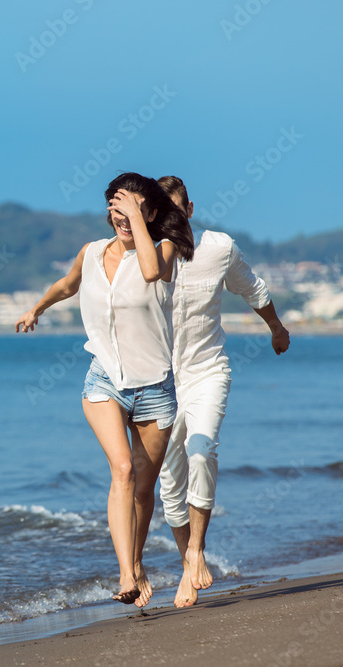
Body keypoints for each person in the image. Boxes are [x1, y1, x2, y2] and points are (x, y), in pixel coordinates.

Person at [16, 173, 195, 607]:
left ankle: (137, 562)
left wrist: (138, 219)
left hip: (154, 388)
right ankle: (125, 575)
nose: (121, 216)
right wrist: (36, 308)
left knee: (143, 490)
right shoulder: (92, 253)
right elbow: (67, 285)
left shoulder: (163, 251)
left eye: (133, 207)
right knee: (122, 470)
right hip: (104, 381)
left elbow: (152, 272)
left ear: (151, 214)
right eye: (116, 207)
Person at [156, 175, 291, 607]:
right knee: (168, 487)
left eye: (176, 213)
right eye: (161, 215)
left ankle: (196, 551)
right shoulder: (144, 259)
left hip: (208, 373)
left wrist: (276, 327)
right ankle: (187, 563)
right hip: (160, 384)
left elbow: (253, 287)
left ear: (189, 210)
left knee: (202, 450)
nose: (170, 222)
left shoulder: (218, 248)